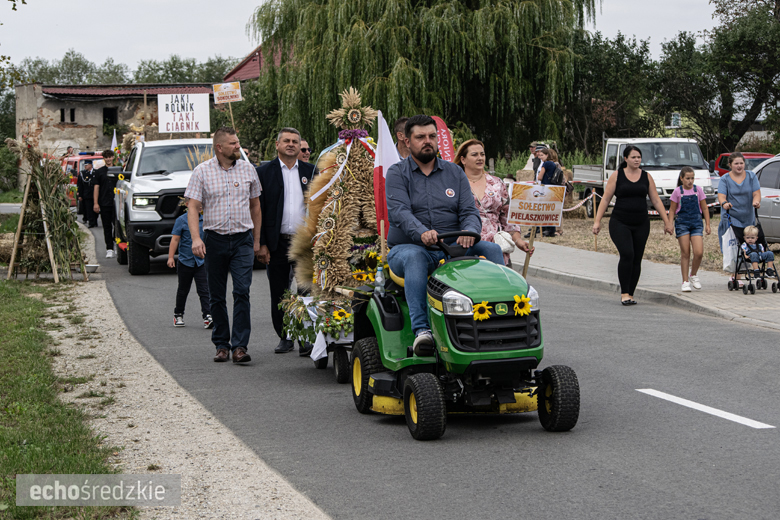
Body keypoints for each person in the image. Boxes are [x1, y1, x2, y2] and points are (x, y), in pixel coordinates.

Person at [386, 115, 504, 354]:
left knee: (491, 249)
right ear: (407, 141)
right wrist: (421, 233)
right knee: (415, 257)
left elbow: (469, 211)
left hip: (452, 246)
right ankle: (422, 331)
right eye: (420, 137)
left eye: (432, 136)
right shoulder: (397, 173)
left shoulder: (454, 173)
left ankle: (497, 323)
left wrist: (471, 231)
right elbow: (400, 212)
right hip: (409, 248)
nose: (427, 141)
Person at [184, 127, 262, 364]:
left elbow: (256, 206)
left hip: (242, 240)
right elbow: (193, 207)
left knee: (241, 291)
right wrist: (196, 239)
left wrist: (257, 240)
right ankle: (221, 344)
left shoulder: (249, 170)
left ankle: (239, 346)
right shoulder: (202, 172)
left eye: (238, 142)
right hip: (214, 239)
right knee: (216, 296)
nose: (238, 146)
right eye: (233, 144)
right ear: (219, 147)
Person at [257, 128, 317, 355]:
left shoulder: (311, 172)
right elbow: (259, 210)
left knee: (306, 292)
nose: (291, 144)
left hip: (304, 242)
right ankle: (285, 336)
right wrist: (261, 243)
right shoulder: (264, 172)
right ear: (277, 144)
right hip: (276, 242)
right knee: (280, 292)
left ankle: (306, 338)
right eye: (286, 141)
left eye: (295, 141)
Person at [592, 145, 673, 305]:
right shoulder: (617, 176)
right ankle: (624, 293)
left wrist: (667, 221)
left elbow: (656, 200)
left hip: (641, 223)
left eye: (639, 157)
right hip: (620, 222)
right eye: (633, 157)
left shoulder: (646, 176)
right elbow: (606, 199)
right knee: (627, 253)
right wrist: (597, 221)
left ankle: (631, 293)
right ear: (626, 159)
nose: (637, 160)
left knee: (637, 258)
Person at [454, 138, 533, 266]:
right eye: (474, 155)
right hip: (466, 246)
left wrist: (518, 241)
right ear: (463, 159)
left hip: (496, 246)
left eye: (482, 154)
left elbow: (507, 217)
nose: (480, 158)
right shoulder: (454, 184)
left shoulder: (497, 183)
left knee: (501, 283)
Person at [718, 152, 762, 285]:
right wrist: (724, 203)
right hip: (732, 216)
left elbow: (756, 193)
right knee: (735, 245)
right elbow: (721, 196)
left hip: (747, 216)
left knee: (748, 244)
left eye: (741, 163)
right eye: (736, 163)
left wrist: (756, 201)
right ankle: (735, 275)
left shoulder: (751, 176)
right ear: (730, 165)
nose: (739, 166)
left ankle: (748, 271)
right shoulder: (725, 179)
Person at [167, 201, 212, 329]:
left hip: (201, 261)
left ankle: (208, 315)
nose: (200, 205)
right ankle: (178, 314)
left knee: (204, 289)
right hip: (185, 261)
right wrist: (171, 257)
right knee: (183, 289)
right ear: (187, 204)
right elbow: (175, 239)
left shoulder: (206, 219)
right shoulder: (181, 220)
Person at [668, 166, 711, 292]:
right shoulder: (677, 192)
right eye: (687, 178)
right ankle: (685, 281)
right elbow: (671, 210)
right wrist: (669, 224)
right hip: (682, 223)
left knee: (698, 252)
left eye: (692, 178)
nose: (690, 181)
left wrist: (707, 224)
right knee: (685, 252)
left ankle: (694, 274)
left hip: (696, 223)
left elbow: (704, 208)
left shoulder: (698, 190)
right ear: (681, 179)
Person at [92, 150, 118, 258]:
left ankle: (117, 244)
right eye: (106, 157)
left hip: (117, 203)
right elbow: (96, 187)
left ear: (113, 157)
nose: (108, 159)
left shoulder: (118, 170)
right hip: (104, 202)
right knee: (107, 226)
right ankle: (109, 248)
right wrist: (95, 203)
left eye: (110, 157)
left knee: (117, 227)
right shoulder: (99, 172)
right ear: (104, 158)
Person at [535, 147, 561, 238]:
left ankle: (543, 228)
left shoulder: (546, 164)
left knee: (543, 209)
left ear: (547, 155)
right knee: (550, 210)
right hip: (552, 188)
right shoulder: (554, 164)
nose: (540, 157)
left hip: (545, 188)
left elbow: (539, 177)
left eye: (542, 155)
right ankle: (551, 229)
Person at [77, 161, 97, 227]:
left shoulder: (96, 172)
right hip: (87, 195)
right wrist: (80, 195)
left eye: (86, 165)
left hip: (95, 194)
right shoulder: (83, 174)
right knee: (88, 209)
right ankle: (91, 222)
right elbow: (80, 185)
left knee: (95, 209)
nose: (85, 166)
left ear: (90, 165)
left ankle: (95, 221)